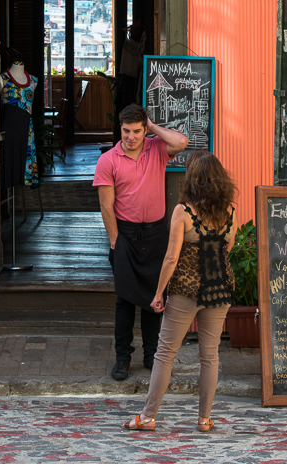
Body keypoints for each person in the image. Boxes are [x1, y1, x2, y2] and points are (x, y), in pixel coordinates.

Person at [122, 150, 237, 433]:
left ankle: (148, 416)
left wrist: (159, 292)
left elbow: (171, 258)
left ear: (192, 180)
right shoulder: (230, 212)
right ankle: (204, 419)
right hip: (220, 288)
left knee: (165, 353)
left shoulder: (183, 212)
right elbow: (228, 248)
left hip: (187, 290)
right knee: (210, 355)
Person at [93, 103, 188, 381]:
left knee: (154, 298)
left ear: (144, 129)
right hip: (125, 236)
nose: (131, 137)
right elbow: (106, 207)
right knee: (124, 300)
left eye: (137, 131)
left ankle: (150, 355)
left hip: (156, 234)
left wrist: (153, 128)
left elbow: (182, 142)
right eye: (126, 131)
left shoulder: (157, 148)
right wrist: (114, 243)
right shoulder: (108, 160)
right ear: (119, 128)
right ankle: (122, 358)